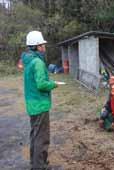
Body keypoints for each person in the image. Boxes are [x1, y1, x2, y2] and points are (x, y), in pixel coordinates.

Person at [22, 31, 60, 170]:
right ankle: (39, 166)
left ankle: (36, 162)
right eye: (43, 44)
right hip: (40, 104)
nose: (45, 47)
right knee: (42, 137)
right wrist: (53, 84)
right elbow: (41, 84)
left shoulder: (28, 60)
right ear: (38, 46)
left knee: (35, 134)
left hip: (32, 103)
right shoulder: (37, 62)